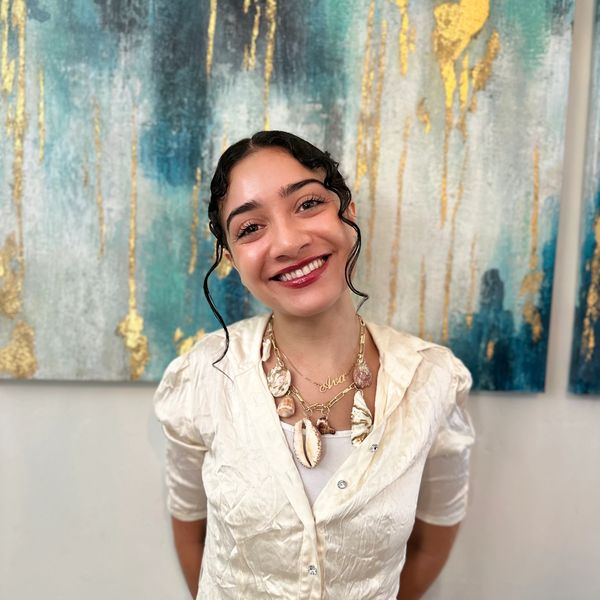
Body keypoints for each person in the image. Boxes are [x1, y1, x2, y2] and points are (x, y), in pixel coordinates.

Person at [154, 130, 475, 599]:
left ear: (347, 212)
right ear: (231, 258)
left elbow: (431, 539)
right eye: (250, 228)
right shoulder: (202, 376)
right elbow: (191, 533)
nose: (287, 242)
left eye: (307, 204)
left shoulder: (432, 380)